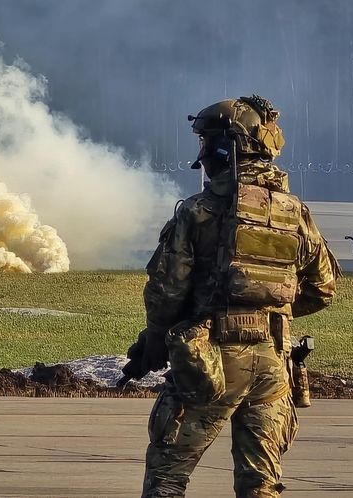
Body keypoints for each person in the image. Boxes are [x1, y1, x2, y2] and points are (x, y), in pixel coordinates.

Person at [128, 95, 339, 497]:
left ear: (230, 146)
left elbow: (167, 290)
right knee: (260, 483)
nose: (203, 153)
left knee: (168, 476)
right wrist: (269, 309)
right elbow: (322, 287)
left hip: (212, 361)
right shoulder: (295, 213)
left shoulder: (198, 211)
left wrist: (156, 336)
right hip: (273, 364)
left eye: (207, 142)